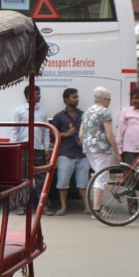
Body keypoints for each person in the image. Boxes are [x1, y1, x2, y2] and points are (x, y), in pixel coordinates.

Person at [10, 85, 52, 213]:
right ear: (28, 95)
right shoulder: (19, 111)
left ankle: (44, 206)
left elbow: (45, 131)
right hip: (23, 148)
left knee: (41, 178)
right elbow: (15, 130)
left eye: (39, 93)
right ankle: (20, 206)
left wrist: (46, 147)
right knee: (22, 177)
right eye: (36, 94)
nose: (39, 96)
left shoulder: (42, 112)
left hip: (38, 149)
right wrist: (14, 148)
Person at [80, 87, 120, 205]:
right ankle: (97, 208)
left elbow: (81, 134)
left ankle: (96, 206)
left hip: (88, 148)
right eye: (109, 99)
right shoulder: (104, 112)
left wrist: (87, 144)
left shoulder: (87, 112)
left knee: (98, 175)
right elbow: (110, 135)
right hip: (101, 149)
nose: (109, 102)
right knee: (101, 177)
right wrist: (117, 152)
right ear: (103, 99)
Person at [51, 87, 86, 215]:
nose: (77, 99)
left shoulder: (83, 115)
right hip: (65, 153)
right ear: (66, 99)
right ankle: (63, 207)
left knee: (83, 183)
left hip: (81, 153)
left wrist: (84, 140)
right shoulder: (59, 117)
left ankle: (88, 207)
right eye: (74, 97)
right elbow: (53, 134)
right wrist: (66, 134)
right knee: (63, 183)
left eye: (77, 97)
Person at [116, 88, 139, 158]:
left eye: (137, 98)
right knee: (130, 168)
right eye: (132, 98)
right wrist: (119, 150)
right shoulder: (126, 111)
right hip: (129, 149)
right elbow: (120, 131)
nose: (134, 101)